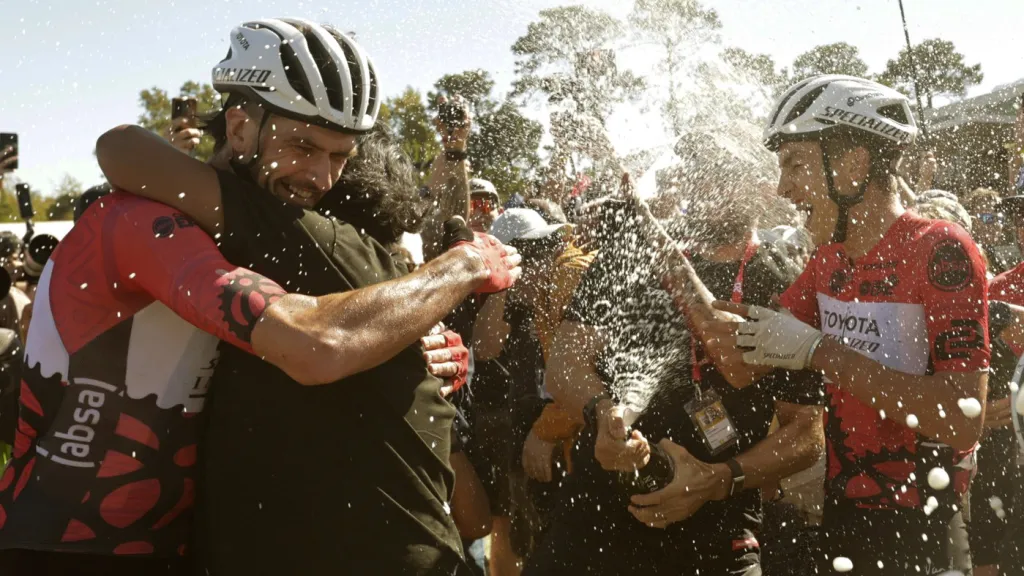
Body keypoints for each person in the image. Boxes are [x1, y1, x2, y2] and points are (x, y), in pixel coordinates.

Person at [2, 19, 518, 576]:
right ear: (241, 126)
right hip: (70, 549)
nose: (321, 175)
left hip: (163, 548)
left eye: (340, 155)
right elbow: (314, 341)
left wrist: (415, 341)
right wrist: (462, 269)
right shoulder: (148, 220)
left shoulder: (259, 232)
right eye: (302, 146)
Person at [708, 75, 989, 575]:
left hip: (926, 522)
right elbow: (737, 359)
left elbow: (960, 418)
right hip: (843, 517)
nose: (782, 188)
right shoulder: (827, 261)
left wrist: (819, 351)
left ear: (852, 163)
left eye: (795, 164)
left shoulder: (940, 249)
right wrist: (670, 264)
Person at [525, 161, 824, 575]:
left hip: (716, 528)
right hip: (599, 513)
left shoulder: (783, 278)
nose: (707, 181)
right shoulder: (630, 251)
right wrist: (600, 413)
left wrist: (718, 479)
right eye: (697, 165)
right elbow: (564, 363)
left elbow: (807, 436)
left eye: (722, 167)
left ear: (758, 185)